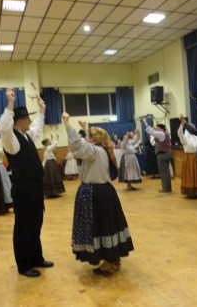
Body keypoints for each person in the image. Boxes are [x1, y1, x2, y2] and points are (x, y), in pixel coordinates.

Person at [62, 111, 134, 275]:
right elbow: (85, 144)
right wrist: (86, 128)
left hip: (95, 193)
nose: (87, 137)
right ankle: (113, 258)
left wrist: (67, 125)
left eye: (89, 135)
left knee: (101, 227)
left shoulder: (94, 151)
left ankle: (109, 261)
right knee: (108, 226)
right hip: (106, 192)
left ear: (94, 139)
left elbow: (78, 146)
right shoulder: (104, 149)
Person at [0, 88, 53, 278]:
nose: (30, 122)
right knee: (24, 226)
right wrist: (10, 103)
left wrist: (41, 110)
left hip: (35, 188)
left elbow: (37, 126)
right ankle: (24, 264)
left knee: (36, 223)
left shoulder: (27, 135)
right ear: (20, 121)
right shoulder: (11, 140)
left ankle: (36, 257)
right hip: (23, 189)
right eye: (27, 119)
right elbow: (4, 128)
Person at [177, 119, 197, 198]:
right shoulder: (184, 138)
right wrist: (182, 124)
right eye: (190, 128)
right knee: (190, 174)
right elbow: (179, 133)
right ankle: (191, 192)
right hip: (188, 158)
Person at [142, 119, 172, 193]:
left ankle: (165, 188)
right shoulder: (166, 134)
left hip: (162, 155)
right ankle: (168, 187)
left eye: (158, 128)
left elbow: (151, 131)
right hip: (167, 154)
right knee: (166, 172)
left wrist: (145, 123)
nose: (157, 130)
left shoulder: (161, 134)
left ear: (161, 129)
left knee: (163, 172)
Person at [41, 134, 65, 198]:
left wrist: (51, 138)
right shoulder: (48, 148)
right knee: (52, 177)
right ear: (46, 143)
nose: (50, 141)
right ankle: (52, 192)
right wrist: (57, 138)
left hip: (50, 163)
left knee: (52, 177)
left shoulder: (46, 148)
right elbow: (53, 146)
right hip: (50, 164)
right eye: (49, 141)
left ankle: (52, 192)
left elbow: (51, 145)